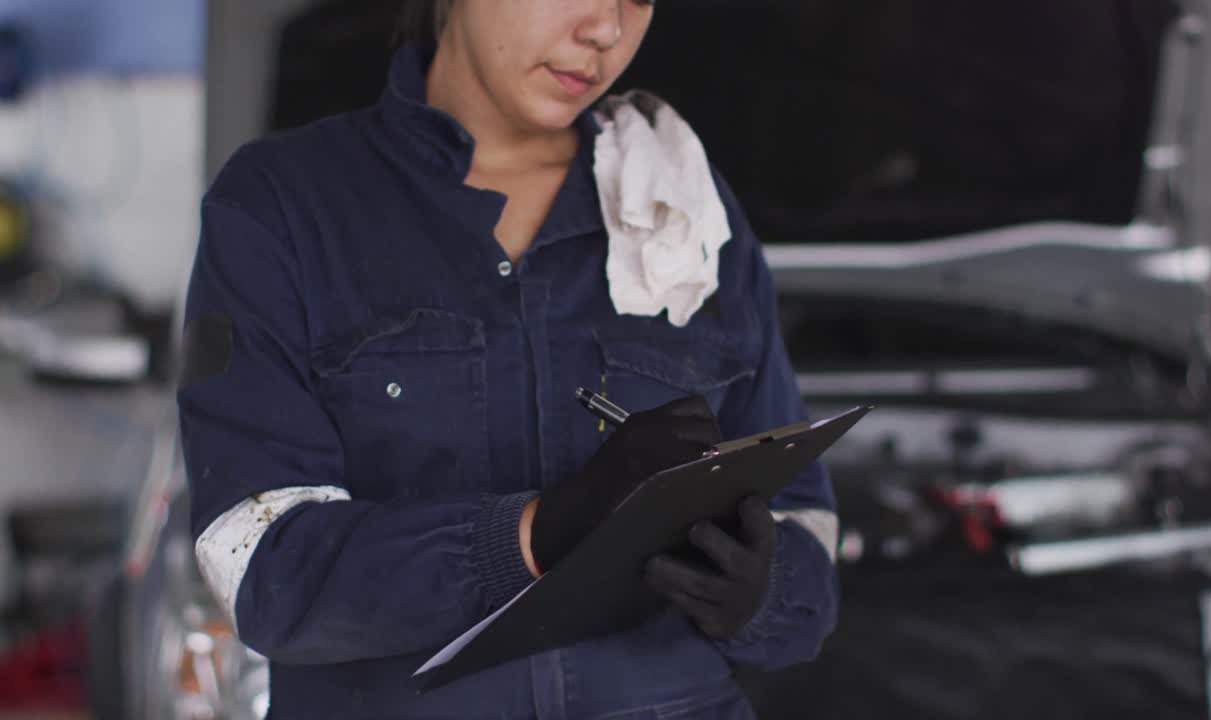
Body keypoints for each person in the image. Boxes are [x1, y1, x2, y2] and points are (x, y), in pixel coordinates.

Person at [176, 0, 839, 717]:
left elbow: (806, 536)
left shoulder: (683, 212)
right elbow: (264, 576)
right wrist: (534, 534)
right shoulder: (283, 208)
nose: (606, 30)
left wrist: (758, 591)